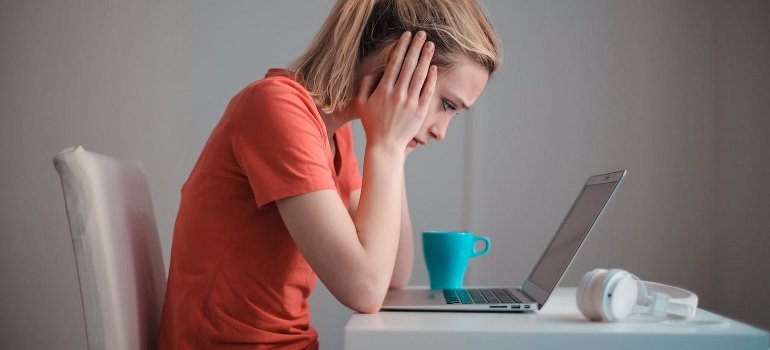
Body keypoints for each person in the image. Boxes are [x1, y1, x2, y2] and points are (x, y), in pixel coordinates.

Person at [156, 0, 502, 348]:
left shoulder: (336, 135)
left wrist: (396, 150)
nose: (442, 131)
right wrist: (386, 147)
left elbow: (393, 276)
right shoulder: (276, 108)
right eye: (447, 105)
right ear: (398, 63)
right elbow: (365, 289)